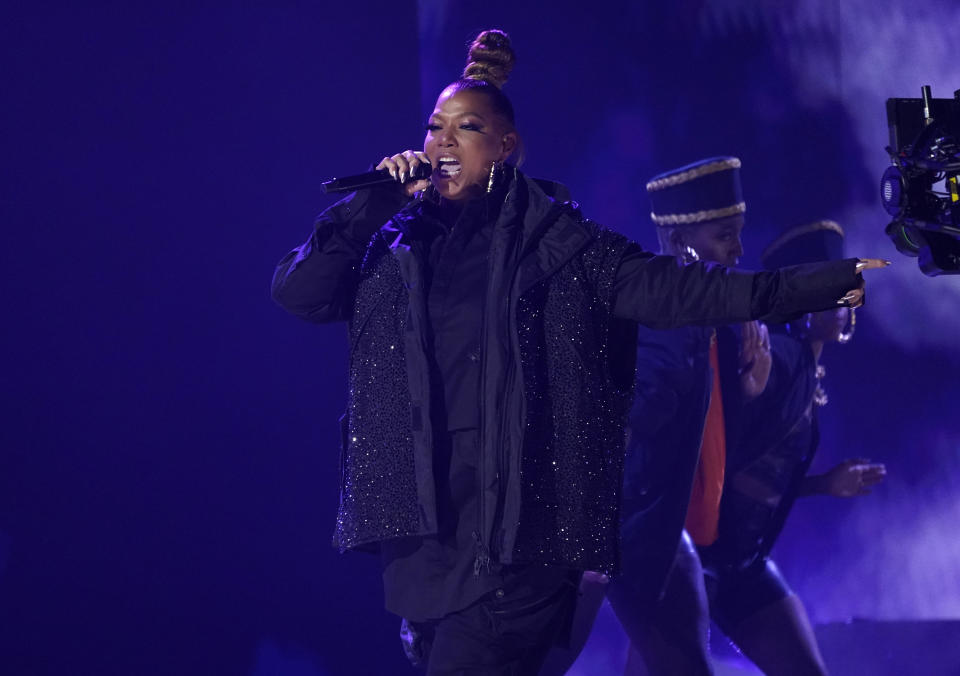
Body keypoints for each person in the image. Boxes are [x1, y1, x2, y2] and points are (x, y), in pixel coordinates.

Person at [271, 29, 881, 675]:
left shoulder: (561, 249)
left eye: (467, 127)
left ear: (507, 148)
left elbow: (686, 294)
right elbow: (299, 293)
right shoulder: (396, 243)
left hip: (521, 547)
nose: (441, 141)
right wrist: (373, 203)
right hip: (426, 546)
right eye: (433, 127)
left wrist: (832, 280)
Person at [542, 157, 773, 676]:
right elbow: (627, 422)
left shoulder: (703, 316)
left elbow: (704, 443)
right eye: (724, 235)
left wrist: (748, 392)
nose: (737, 249)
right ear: (681, 241)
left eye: (739, 234)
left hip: (657, 531)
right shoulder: (665, 315)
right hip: (615, 524)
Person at [697, 221, 887, 676]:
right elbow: (742, 401)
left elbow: (763, 475)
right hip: (697, 558)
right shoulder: (783, 354)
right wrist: (749, 389)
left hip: (744, 564)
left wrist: (826, 484)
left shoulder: (806, 363)